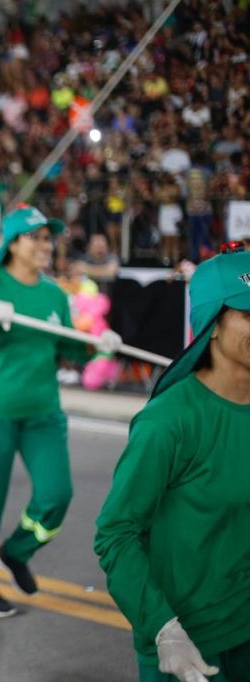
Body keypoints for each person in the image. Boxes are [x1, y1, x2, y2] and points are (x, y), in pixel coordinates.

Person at [0, 205, 122, 618]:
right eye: (37, 237)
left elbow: (68, 349)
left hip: (43, 412)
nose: (46, 245)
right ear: (13, 243)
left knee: (57, 494)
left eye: (48, 238)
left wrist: (100, 343)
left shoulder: (53, 295)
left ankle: (17, 550)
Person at [95, 243, 250, 682]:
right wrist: (164, 629)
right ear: (212, 325)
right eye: (248, 314)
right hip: (191, 646)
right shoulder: (169, 422)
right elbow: (116, 534)